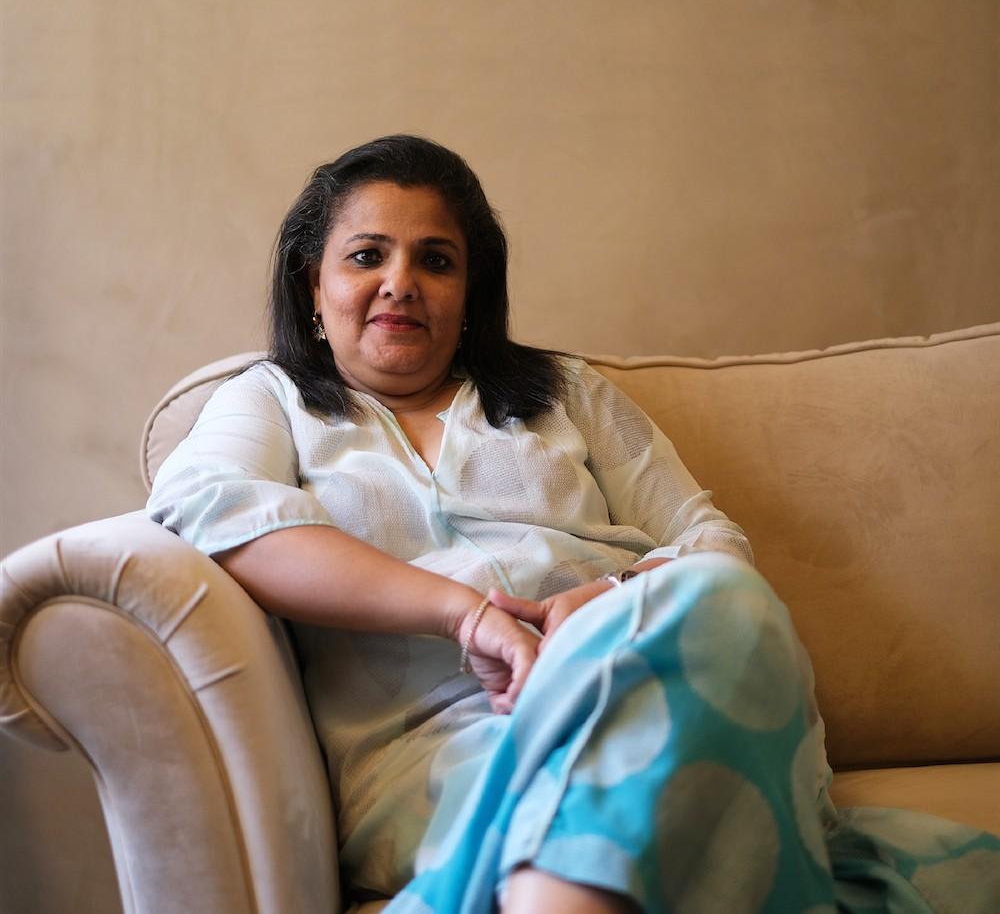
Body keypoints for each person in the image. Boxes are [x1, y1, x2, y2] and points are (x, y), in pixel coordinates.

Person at [148, 135, 999, 913]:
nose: (400, 281)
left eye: (435, 260)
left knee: (726, 597)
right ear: (313, 283)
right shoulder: (270, 402)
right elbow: (213, 507)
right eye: (367, 255)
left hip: (639, 677)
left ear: (470, 292)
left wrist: (606, 600)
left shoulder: (567, 392)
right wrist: (463, 614)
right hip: (445, 751)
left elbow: (715, 546)